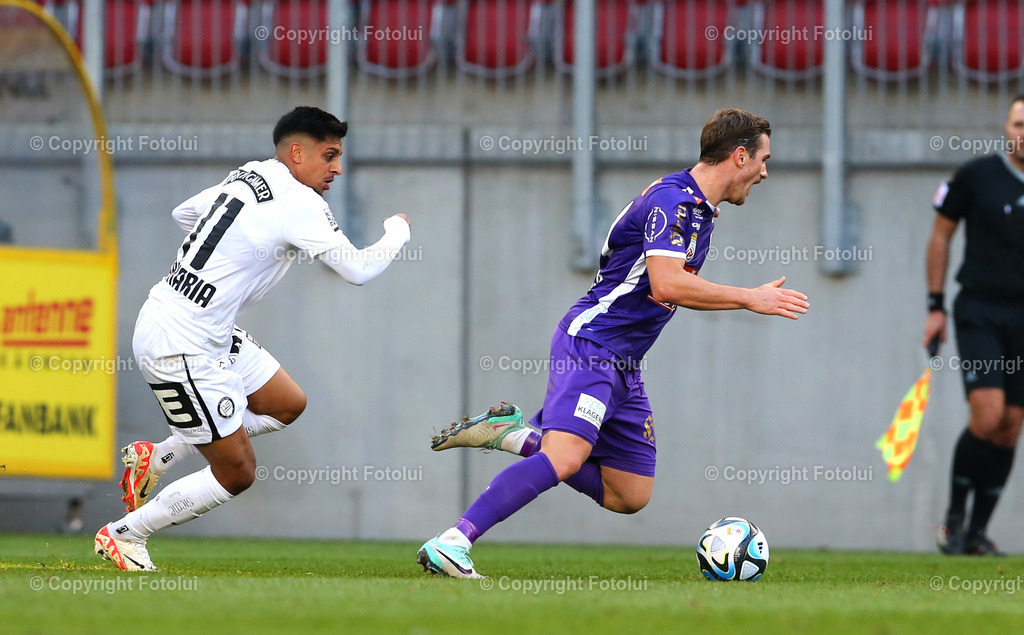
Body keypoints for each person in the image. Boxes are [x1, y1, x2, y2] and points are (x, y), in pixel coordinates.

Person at [417, 108, 809, 578]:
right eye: (763, 159)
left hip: (623, 362)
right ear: (740, 155)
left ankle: (516, 436)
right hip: (593, 345)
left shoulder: (694, 207)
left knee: (629, 494)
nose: (766, 171)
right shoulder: (675, 203)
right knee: (564, 458)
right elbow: (667, 285)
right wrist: (750, 298)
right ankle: (453, 542)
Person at [94, 106, 411, 571]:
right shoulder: (300, 204)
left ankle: (158, 455)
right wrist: (398, 230)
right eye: (330, 156)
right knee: (237, 472)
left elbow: (185, 213)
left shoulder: (250, 174)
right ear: (297, 153)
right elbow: (359, 270)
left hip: (203, 326)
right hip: (179, 342)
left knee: (286, 403)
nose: (337, 168)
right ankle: (125, 535)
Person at [928, 95, 1024, 557]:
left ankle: (977, 534)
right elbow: (941, 236)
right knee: (987, 416)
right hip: (981, 311)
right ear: (1006, 127)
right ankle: (953, 521)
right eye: (1019, 122)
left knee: (1009, 426)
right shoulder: (976, 176)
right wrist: (935, 305)